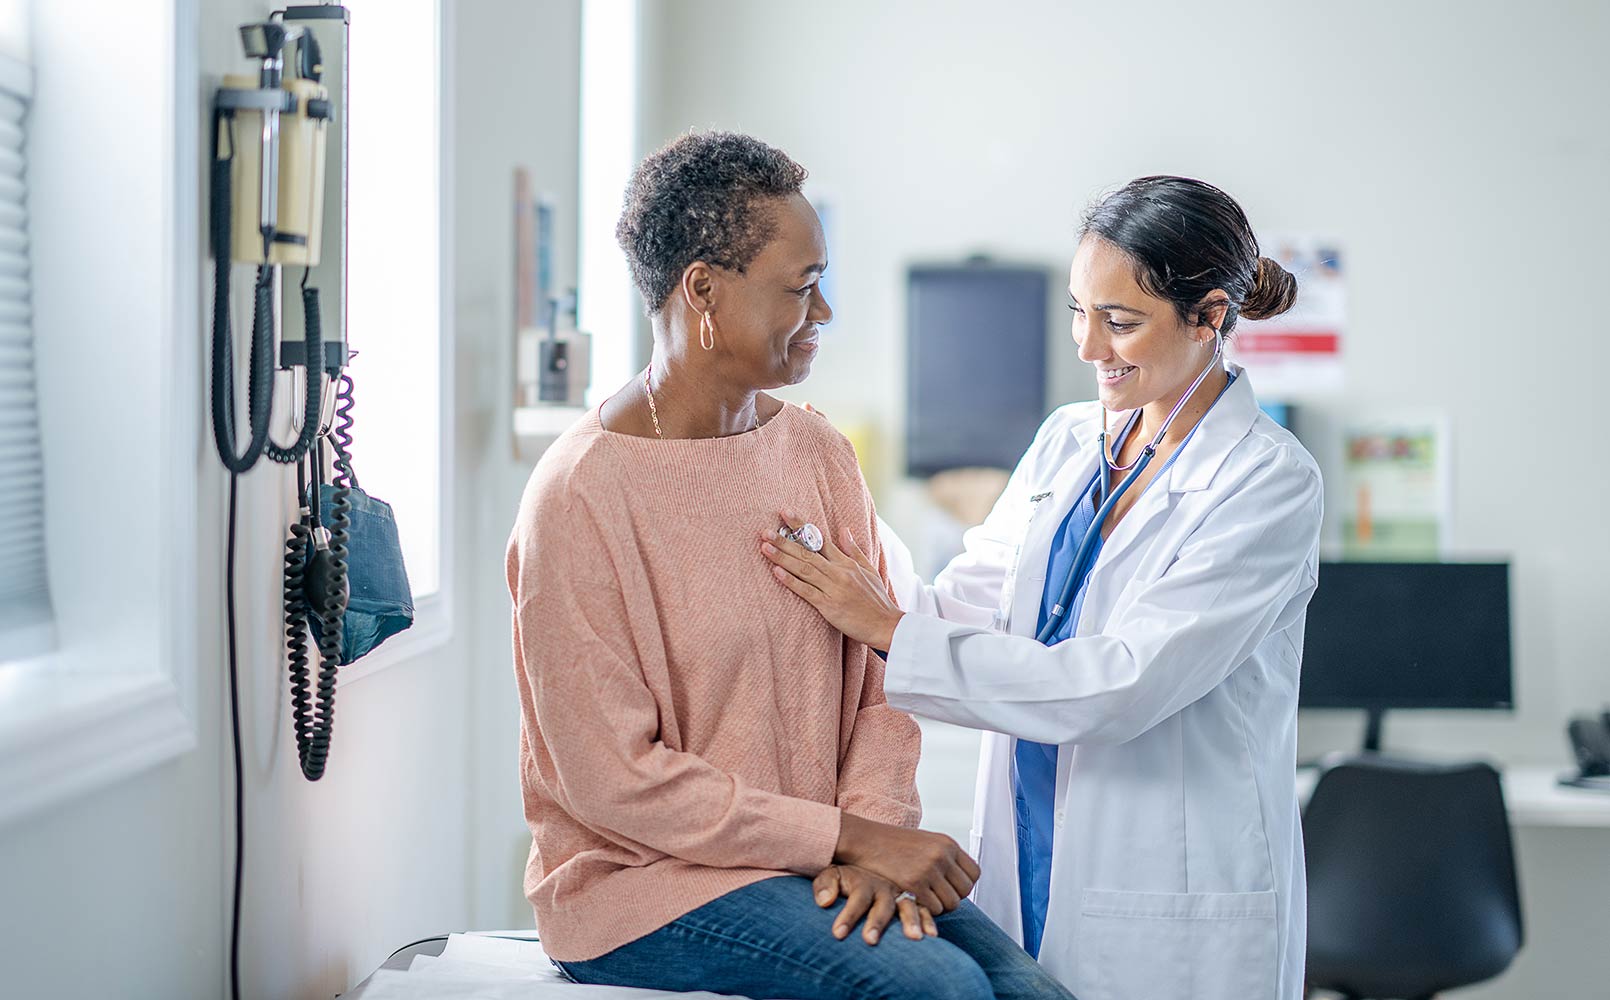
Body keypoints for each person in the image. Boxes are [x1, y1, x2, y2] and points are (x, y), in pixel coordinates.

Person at [507, 130, 1075, 1000]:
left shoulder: (814, 452)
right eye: (801, 288)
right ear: (703, 289)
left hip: (816, 858)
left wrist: (874, 833)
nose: (825, 312)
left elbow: (881, 681)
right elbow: (613, 780)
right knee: (939, 989)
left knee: (1031, 992)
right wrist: (840, 838)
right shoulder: (579, 498)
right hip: (646, 884)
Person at [763, 175, 1323, 1000]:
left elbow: (1119, 685)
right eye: (1078, 310)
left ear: (1209, 317)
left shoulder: (1268, 481)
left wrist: (889, 631)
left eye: (1121, 321)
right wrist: (834, 501)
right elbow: (958, 607)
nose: (1088, 346)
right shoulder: (1068, 440)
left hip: (1172, 897)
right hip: (1028, 862)